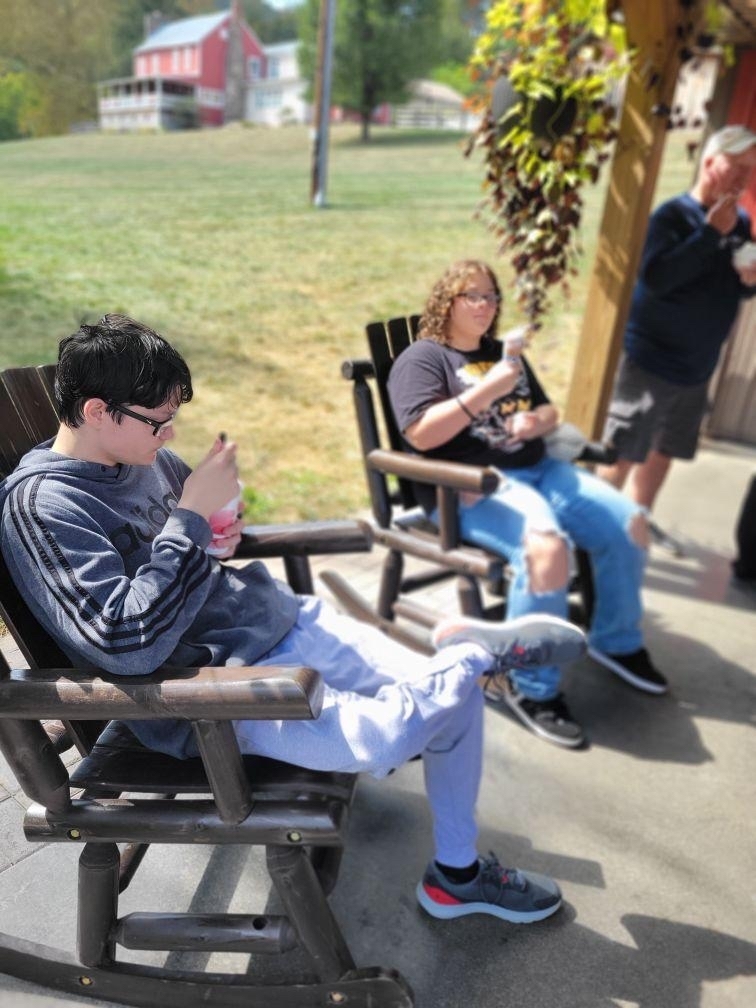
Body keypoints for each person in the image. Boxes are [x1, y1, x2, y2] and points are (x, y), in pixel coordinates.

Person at [0, 314, 589, 926]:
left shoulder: (143, 456)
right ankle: (474, 652)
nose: (169, 432)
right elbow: (126, 644)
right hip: (216, 694)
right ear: (97, 411)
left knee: (455, 697)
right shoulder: (44, 507)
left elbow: (203, 545)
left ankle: (457, 876)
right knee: (396, 729)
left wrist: (219, 523)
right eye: (158, 420)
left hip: (279, 618)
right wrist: (190, 522)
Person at [387, 260, 668, 751]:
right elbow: (421, 435)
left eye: (492, 297)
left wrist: (537, 422)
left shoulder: (502, 352)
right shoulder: (423, 359)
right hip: (472, 485)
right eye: (472, 296)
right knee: (546, 550)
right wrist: (488, 390)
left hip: (542, 469)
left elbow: (548, 408)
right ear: (445, 301)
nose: (485, 305)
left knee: (631, 523)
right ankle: (529, 685)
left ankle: (615, 640)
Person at [597, 125, 756, 515]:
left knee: (663, 452)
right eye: (735, 166)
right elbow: (657, 279)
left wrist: (749, 282)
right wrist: (707, 234)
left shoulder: (739, 221)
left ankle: (636, 525)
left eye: (748, 170)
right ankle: (590, 542)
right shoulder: (672, 215)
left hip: (697, 367)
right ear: (708, 162)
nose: (742, 178)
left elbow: (729, 287)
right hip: (651, 361)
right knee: (621, 455)